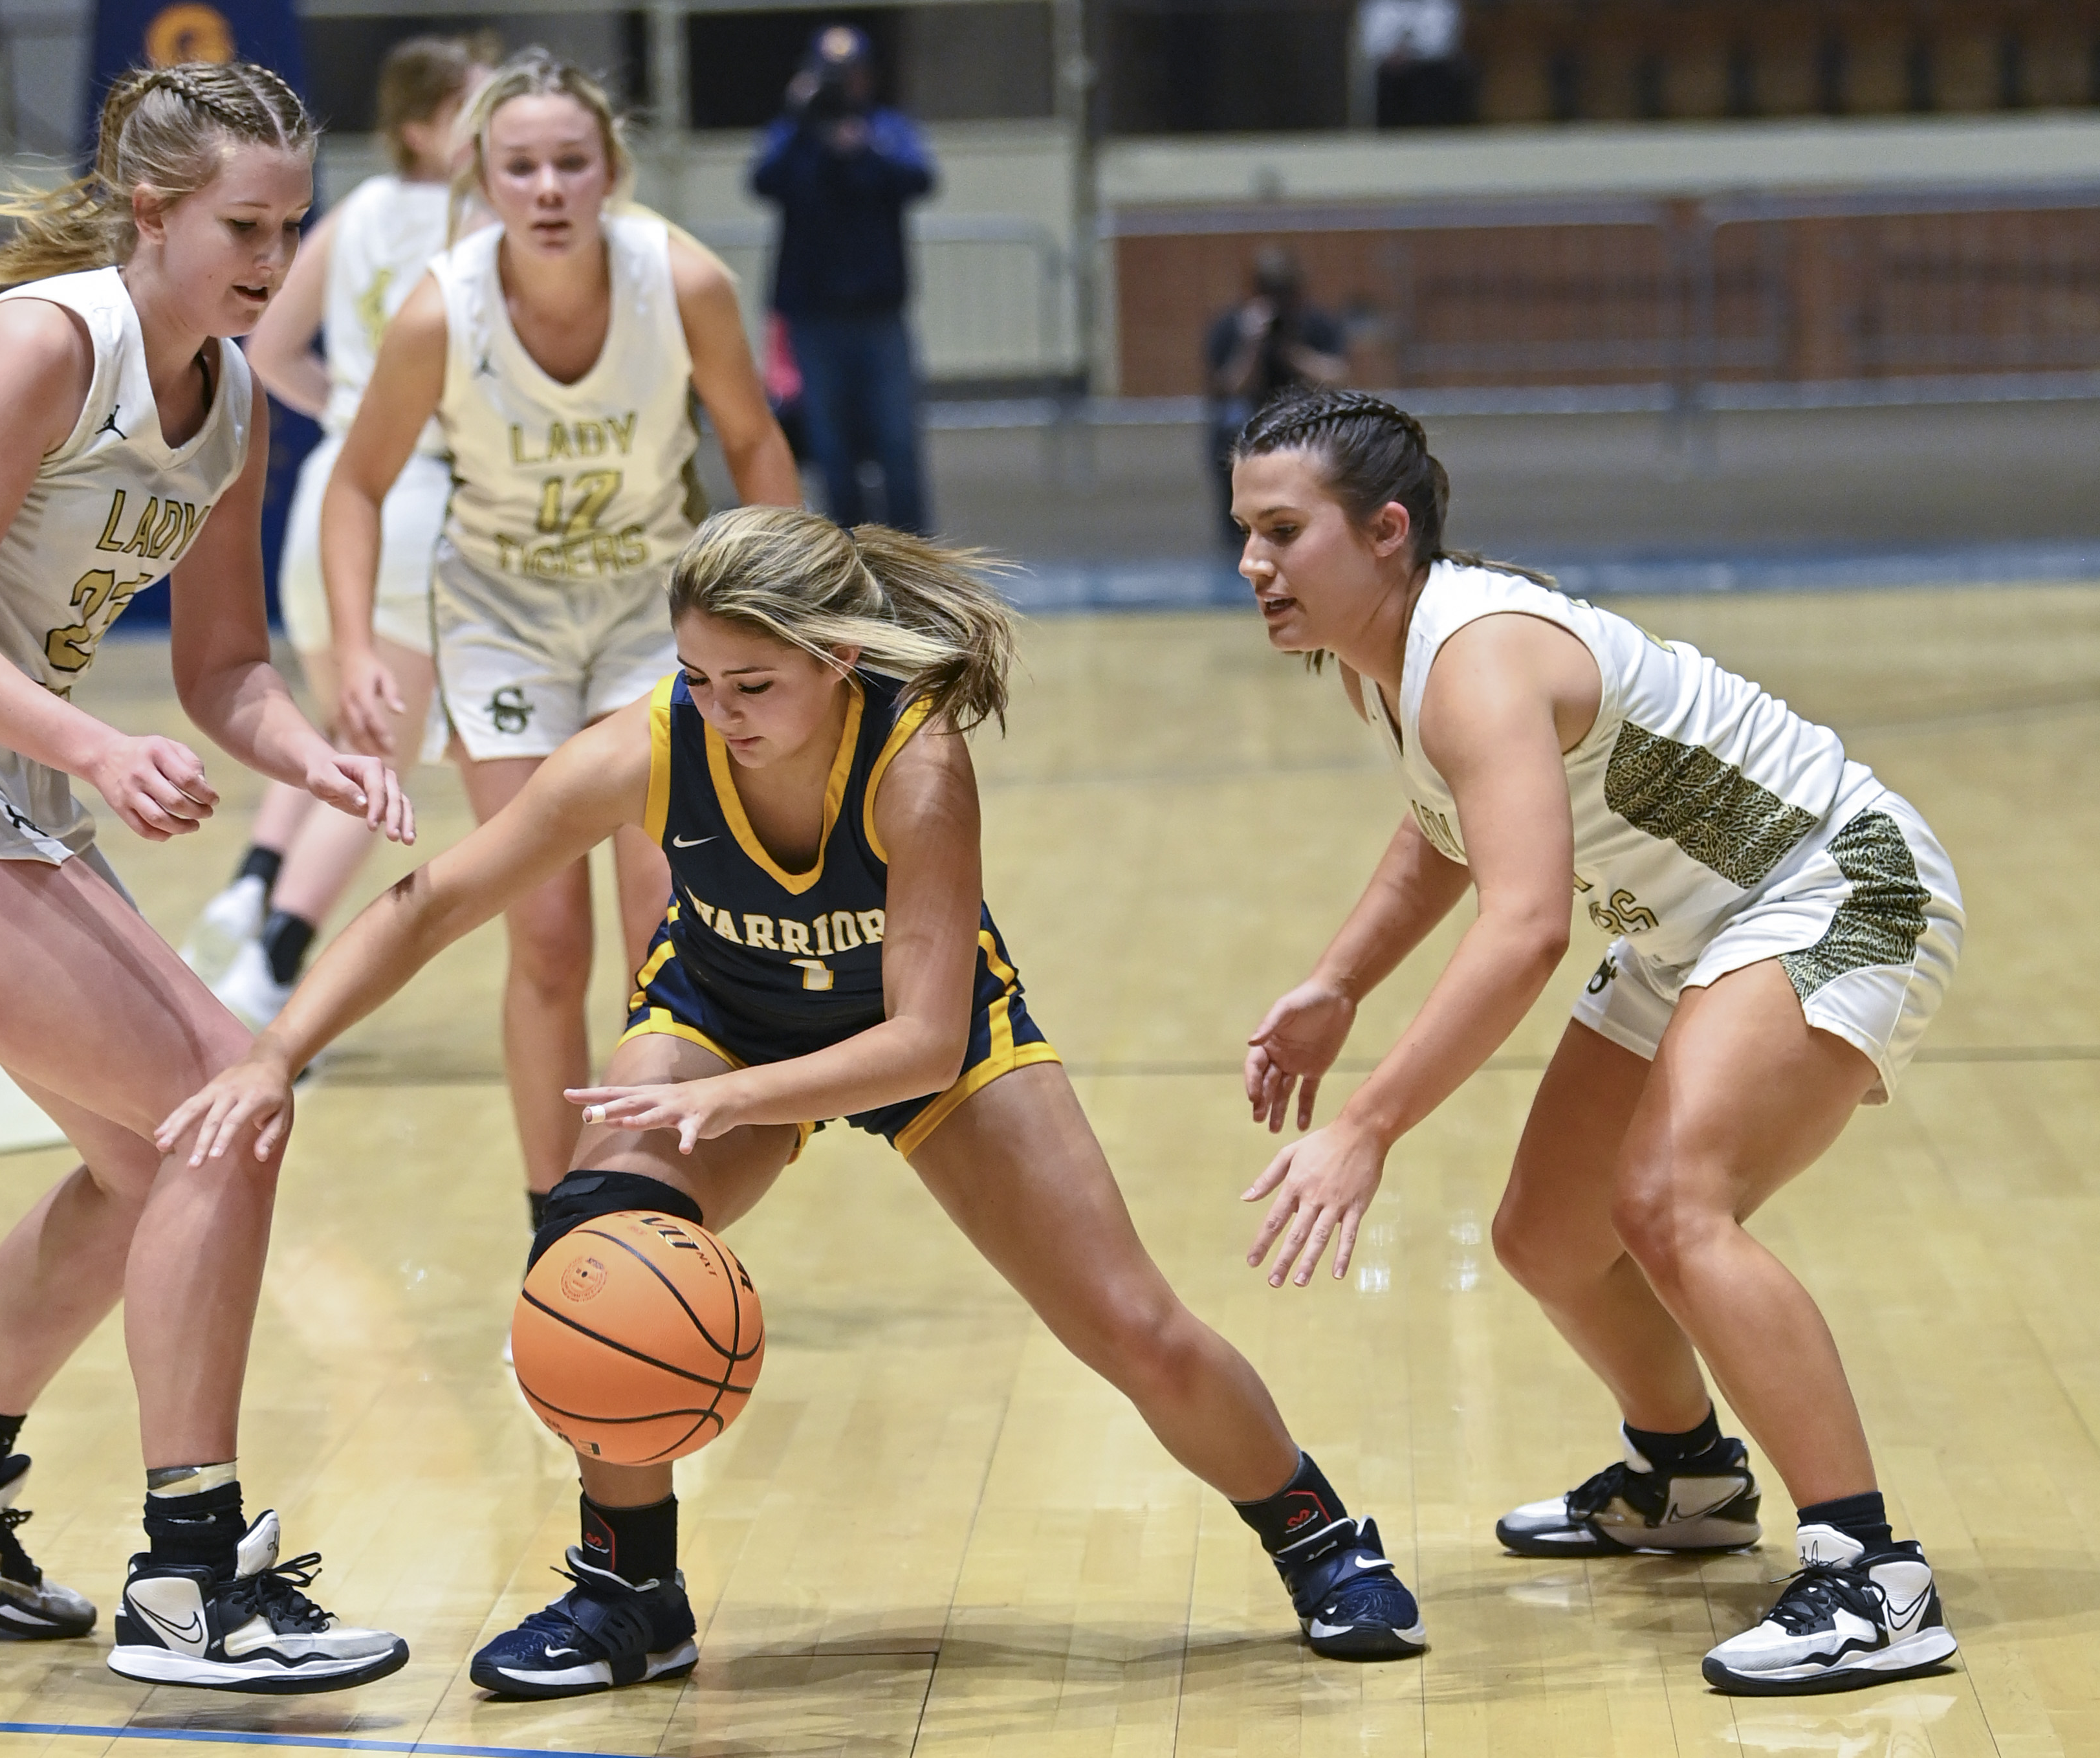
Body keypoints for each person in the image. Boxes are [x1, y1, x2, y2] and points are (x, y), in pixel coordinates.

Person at [160, 503, 1432, 1699]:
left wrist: (751, 1098)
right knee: (595, 1254)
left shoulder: (917, 759)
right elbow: (435, 899)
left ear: (834, 659)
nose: (719, 713)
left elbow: (924, 1039)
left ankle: (1314, 1529)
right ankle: (627, 1586)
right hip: (722, 1017)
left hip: (914, 1036)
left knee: (1132, 1326)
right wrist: (275, 1050)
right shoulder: (650, 741)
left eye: (753, 684)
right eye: (697, 678)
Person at [0, 63, 416, 1692]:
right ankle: (190, 1580)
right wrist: (101, 750)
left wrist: (304, 751)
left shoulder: (239, 402)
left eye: (290, 227)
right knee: (224, 1102)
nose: (272, 256)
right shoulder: (43, 344)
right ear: (153, 216)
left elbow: (224, 669)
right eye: (241, 227)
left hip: (7, 773)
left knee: (149, 1162)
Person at [1228, 387, 1965, 1696]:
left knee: (1673, 1203)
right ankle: (1687, 1477)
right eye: (1245, 530)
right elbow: (1445, 823)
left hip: (1831, 883)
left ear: (1385, 530)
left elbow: (1522, 928)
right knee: (1549, 1234)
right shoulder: (1397, 659)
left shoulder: (1476, 655)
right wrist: (1338, 979)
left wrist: (1369, 1122)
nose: (1252, 562)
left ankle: (1871, 1569)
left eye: (1282, 530)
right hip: (1695, 920)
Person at [322, 49, 801, 1240]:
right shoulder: (443, 308)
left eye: (569, 162)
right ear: (480, 176)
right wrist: (351, 642)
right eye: (519, 165)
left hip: (654, 610)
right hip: (501, 624)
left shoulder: (681, 281)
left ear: (611, 172)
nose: (545, 187)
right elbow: (356, 483)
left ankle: (645, 1208)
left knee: (662, 925)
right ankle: (554, 1226)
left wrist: (788, 612)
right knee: (542, 937)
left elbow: (756, 445)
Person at [180, 34, 494, 1030]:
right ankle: (274, 971)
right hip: (418, 505)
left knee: (338, 735)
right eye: (477, 111)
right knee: (377, 764)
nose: (498, 132)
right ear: (421, 125)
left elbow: (266, 346)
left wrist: (354, 415)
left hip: (334, 489)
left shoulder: (350, 213)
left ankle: (250, 882)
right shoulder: (486, 223)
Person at [751, 25, 935, 533]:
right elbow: (762, 180)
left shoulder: (887, 130)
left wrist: (863, 150)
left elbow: (920, 178)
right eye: (832, 76)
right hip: (813, 315)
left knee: (897, 442)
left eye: (851, 74)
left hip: (879, 312)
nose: (844, 85)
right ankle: (847, 557)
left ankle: (915, 557)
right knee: (831, 446)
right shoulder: (792, 135)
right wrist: (801, 119)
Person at [1205, 247, 1345, 544]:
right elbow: (1229, 386)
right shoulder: (1233, 326)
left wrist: (1292, 353)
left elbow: (1337, 374)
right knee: (1229, 426)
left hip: (1304, 415)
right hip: (1250, 418)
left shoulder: (1314, 322)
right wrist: (1251, 344)